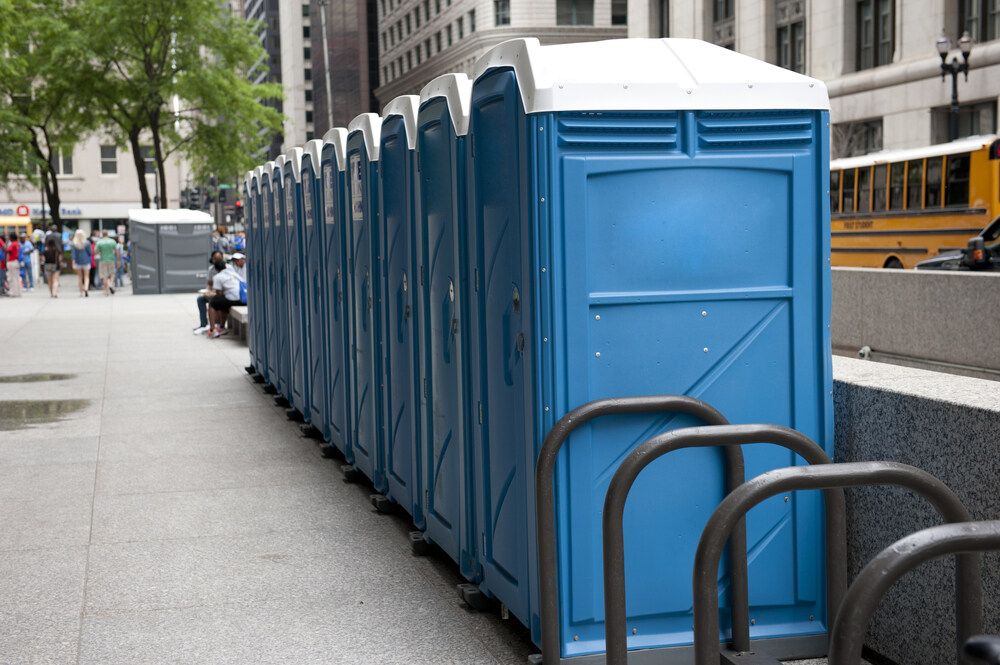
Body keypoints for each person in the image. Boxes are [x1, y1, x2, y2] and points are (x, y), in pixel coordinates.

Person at [206, 253, 246, 338]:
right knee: (223, 303)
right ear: (225, 266)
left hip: (234, 299)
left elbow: (219, 293)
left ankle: (213, 329)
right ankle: (222, 327)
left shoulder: (218, 277)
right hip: (243, 299)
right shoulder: (233, 273)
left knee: (212, 303)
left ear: (216, 269)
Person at [193, 251, 226, 334]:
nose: (216, 260)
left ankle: (216, 325)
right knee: (200, 299)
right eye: (215, 259)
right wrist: (208, 291)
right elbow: (210, 284)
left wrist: (214, 293)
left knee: (213, 302)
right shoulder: (211, 269)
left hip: (223, 294)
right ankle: (204, 324)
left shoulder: (227, 268)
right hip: (215, 292)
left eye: (218, 258)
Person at [70, 230, 92, 297]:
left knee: (79, 277)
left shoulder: (74, 243)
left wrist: (73, 263)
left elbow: (73, 255)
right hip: (86, 261)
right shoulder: (87, 243)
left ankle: (81, 292)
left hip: (78, 262)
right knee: (86, 277)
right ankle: (86, 288)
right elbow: (90, 253)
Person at [94, 230, 117, 296]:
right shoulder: (112, 241)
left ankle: (106, 291)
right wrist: (118, 260)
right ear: (107, 234)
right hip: (111, 260)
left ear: (102, 234)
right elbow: (116, 251)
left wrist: (101, 252)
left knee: (104, 276)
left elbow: (95, 251)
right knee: (112, 274)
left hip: (103, 260)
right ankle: (111, 284)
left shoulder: (99, 242)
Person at [5, 232, 21, 297]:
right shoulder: (17, 244)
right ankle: (18, 292)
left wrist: (5, 244)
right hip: (16, 261)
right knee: (16, 278)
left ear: (11, 238)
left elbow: (7, 250)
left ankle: (13, 292)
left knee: (11, 278)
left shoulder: (12, 244)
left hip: (11, 262)